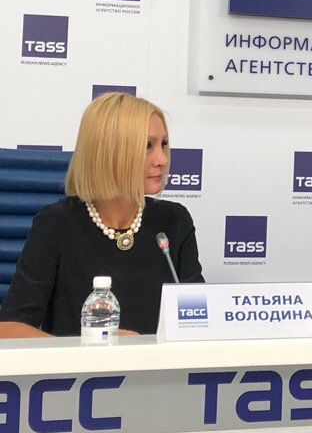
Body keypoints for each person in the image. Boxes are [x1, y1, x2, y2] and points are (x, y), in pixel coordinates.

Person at [0, 93, 203, 338]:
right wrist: (94, 348)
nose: (162, 159)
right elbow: (10, 329)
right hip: (82, 364)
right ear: (109, 152)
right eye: (148, 146)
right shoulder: (57, 224)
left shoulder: (174, 221)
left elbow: (199, 321)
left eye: (164, 144)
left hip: (159, 363)